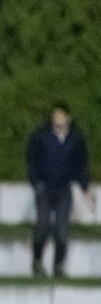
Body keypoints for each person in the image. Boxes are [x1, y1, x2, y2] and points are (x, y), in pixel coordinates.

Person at [26, 103, 93, 278]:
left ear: (68, 118)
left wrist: (85, 188)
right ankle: (37, 261)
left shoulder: (75, 139)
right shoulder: (42, 136)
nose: (57, 121)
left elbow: (81, 165)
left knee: (62, 232)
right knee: (42, 227)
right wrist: (36, 183)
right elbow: (32, 159)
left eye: (61, 117)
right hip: (44, 188)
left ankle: (58, 266)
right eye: (55, 117)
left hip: (63, 189)